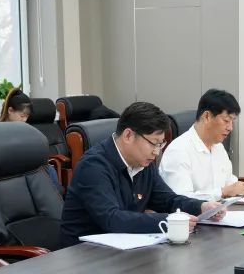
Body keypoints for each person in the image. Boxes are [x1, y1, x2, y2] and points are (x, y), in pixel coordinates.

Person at [58, 102, 224, 247]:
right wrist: (170, 221)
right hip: (83, 255)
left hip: (123, 250)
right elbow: (112, 219)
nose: (156, 152)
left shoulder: (143, 163)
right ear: (128, 135)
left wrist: (201, 207)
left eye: (160, 145)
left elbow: (167, 200)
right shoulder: (93, 166)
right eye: (154, 143)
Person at [159, 89, 244, 200]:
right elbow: (180, 199)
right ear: (207, 116)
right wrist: (223, 192)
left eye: (232, 121)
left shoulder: (218, 147)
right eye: (226, 121)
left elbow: (229, 182)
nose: (230, 128)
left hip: (221, 210)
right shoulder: (178, 151)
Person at [0, 87, 60, 190]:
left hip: (27, 165)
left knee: (50, 170)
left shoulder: (25, 129)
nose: (25, 120)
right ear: (10, 110)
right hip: (11, 169)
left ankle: (56, 197)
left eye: (27, 116)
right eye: (22, 116)